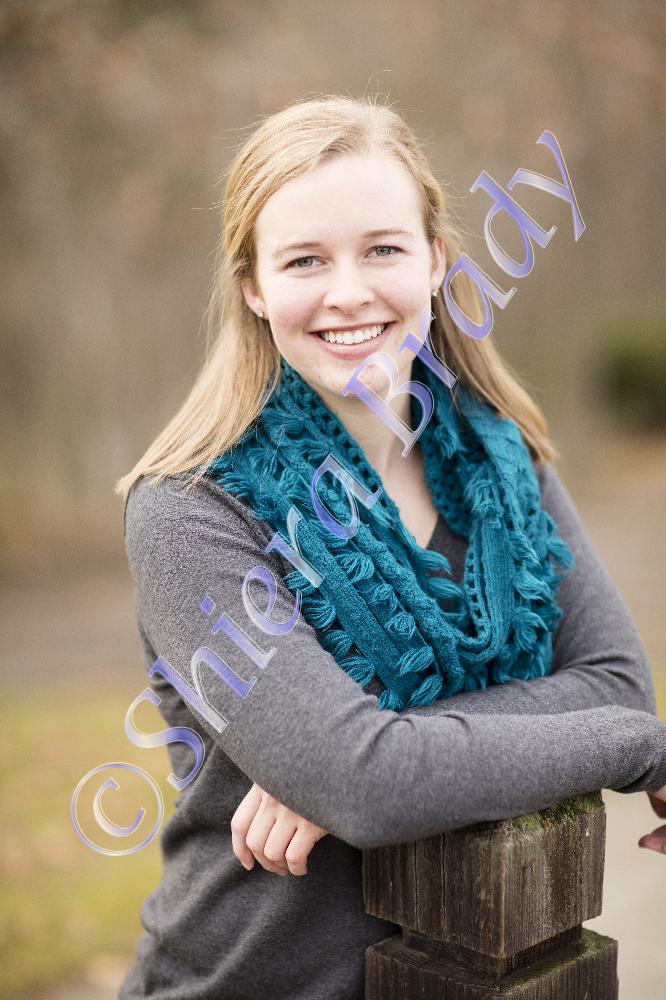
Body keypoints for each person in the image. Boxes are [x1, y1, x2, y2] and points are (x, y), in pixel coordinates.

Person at [114, 95, 666, 1000]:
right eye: (304, 260)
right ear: (253, 287)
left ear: (436, 259)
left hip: (506, 969)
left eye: (382, 249)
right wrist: (636, 746)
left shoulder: (503, 459)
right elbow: (367, 789)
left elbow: (614, 683)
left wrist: (375, 749)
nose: (348, 292)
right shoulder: (190, 508)